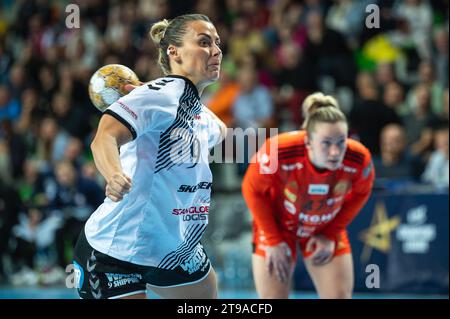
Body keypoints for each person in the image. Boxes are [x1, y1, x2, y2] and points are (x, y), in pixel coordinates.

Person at [73, 14, 226, 299]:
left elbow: (220, 130)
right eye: (204, 43)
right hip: (116, 251)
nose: (216, 50)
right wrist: (114, 175)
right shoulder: (157, 96)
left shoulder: (195, 112)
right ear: (174, 51)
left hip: (176, 249)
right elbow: (104, 137)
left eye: (217, 43)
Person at [242, 92, 375, 299]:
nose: (335, 152)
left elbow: (361, 193)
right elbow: (252, 190)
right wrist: (273, 239)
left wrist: (331, 234)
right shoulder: (277, 151)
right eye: (326, 143)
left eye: (341, 142)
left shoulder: (358, 158)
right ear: (308, 141)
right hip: (278, 225)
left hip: (323, 226)